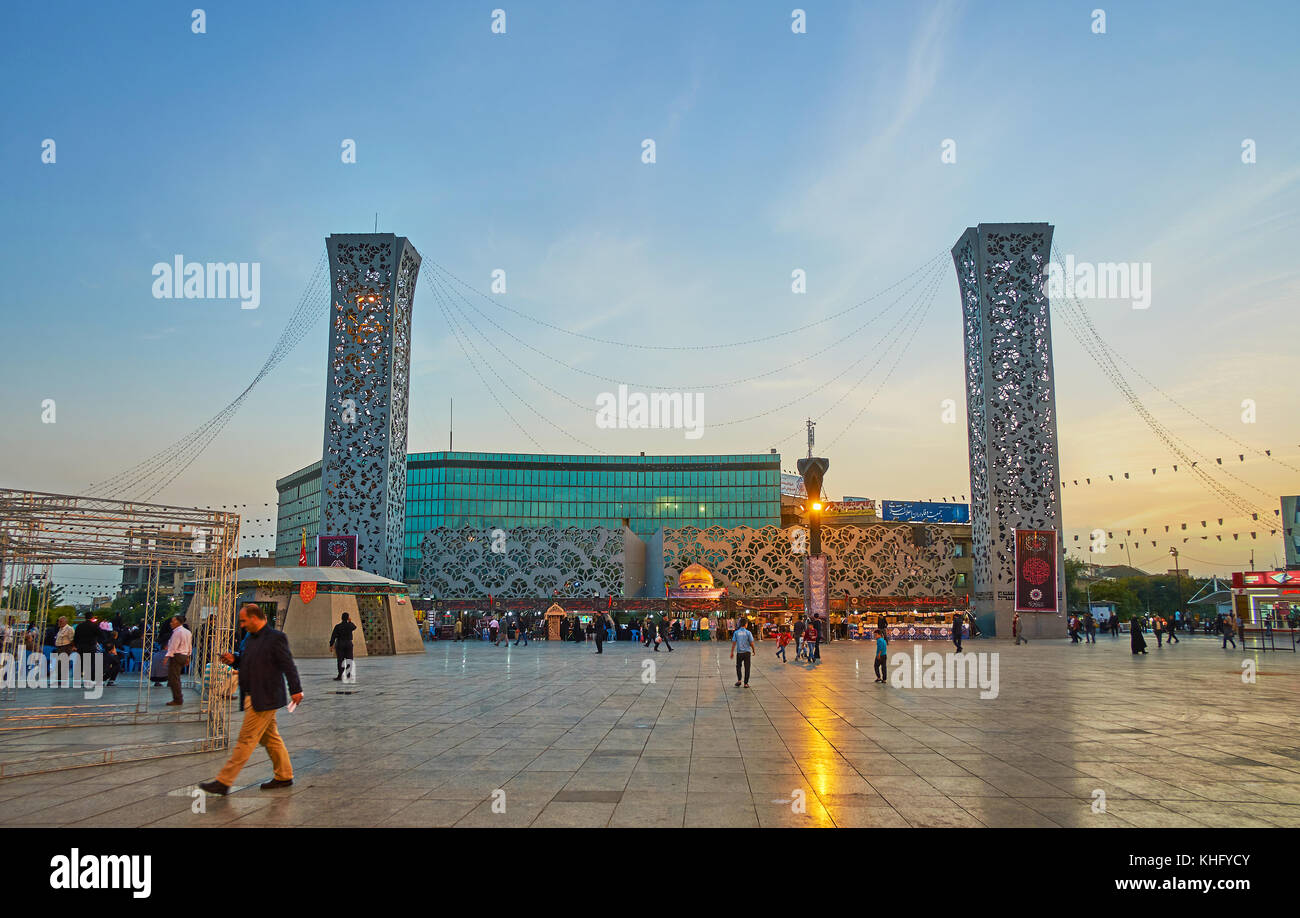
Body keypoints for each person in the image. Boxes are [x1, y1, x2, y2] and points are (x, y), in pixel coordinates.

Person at [199, 603, 303, 796]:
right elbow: (249, 659)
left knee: (246, 739)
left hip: (265, 697)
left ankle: (224, 781)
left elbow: (288, 665)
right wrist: (235, 658)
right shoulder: (251, 638)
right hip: (252, 694)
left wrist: (296, 689)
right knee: (271, 738)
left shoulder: (275, 638)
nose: (242, 624)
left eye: (244, 620)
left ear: (255, 618)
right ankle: (284, 775)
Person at [163, 615, 192, 706]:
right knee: (176, 678)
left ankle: (178, 699)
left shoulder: (177, 632)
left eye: (173, 621)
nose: (171, 623)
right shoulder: (187, 632)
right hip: (183, 655)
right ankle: (178, 697)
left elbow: (173, 646)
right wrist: (188, 656)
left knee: (174, 679)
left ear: (178, 622)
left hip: (177, 655)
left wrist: (167, 656)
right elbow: (189, 645)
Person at [73, 613, 101, 684]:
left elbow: (76, 637)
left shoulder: (80, 626)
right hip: (90, 646)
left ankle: (78, 679)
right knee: (90, 663)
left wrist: (76, 645)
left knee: (81, 662)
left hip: (81, 647)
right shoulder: (94, 626)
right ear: (92, 617)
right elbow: (100, 634)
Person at [329, 612, 356, 681]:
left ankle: (340, 675)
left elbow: (333, 636)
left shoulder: (338, 626)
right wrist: (350, 621)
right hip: (348, 644)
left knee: (340, 660)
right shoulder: (350, 625)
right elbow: (354, 627)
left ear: (341, 618)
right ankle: (348, 675)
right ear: (348, 618)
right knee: (349, 659)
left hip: (340, 644)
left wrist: (331, 645)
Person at [731, 618, 754, 687]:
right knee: (747, 667)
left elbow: (734, 643)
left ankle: (739, 680)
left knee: (738, 666)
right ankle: (746, 683)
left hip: (739, 653)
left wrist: (732, 652)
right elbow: (751, 643)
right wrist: (754, 650)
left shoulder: (736, 632)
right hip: (747, 652)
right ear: (746, 624)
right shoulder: (748, 632)